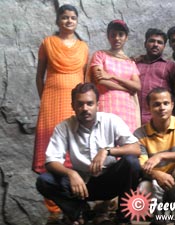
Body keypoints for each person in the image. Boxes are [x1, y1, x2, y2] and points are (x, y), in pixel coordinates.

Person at [36, 83, 141, 225]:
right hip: (81, 186)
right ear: (73, 105)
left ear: (97, 104)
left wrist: (107, 151)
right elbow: (50, 162)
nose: (85, 108)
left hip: (110, 181)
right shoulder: (64, 127)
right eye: (80, 104)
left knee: (131, 162)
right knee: (44, 181)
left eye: (89, 103)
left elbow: (136, 149)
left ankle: (123, 218)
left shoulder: (111, 120)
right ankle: (81, 213)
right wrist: (71, 174)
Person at [32, 4, 89, 223]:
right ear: (58, 21)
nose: (68, 21)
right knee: (50, 151)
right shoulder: (48, 43)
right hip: (51, 100)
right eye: (64, 17)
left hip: (75, 103)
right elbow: (39, 76)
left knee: (73, 150)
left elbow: (84, 79)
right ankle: (54, 210)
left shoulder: (83, 47)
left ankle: (73, 206)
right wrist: (44, 99)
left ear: (77, 21)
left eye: (73, 18)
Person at [134, 87, 175, 225]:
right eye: (156, 104)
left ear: (172, 105)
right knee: (143, 187)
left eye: (166, 103)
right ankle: (159, 218)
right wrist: (157, 175)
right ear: (148, 107)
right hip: (156, 182)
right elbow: (142, 165)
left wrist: (161, 157)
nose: (162, 108)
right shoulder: (139, 134)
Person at [89, 19, 141, 132]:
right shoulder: (100, 55)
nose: (117, 38)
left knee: (127, 145)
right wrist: (126, 89)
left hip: (127, 108)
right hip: (107, 104)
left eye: (121, 35)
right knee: (105, 142)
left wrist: (112, 76)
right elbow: (101, 80)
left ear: (126, 38)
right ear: (108, 37)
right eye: (113, 35)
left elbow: (137, 86)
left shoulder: (130, 62)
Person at [135, 28, 175, 124]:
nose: (155, 45)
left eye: (159, 42)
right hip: (134, 120)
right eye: (152, 41)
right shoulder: (134, 65)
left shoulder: (170, 66)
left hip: (161, 123)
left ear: (164, 46)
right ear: (145, 43)